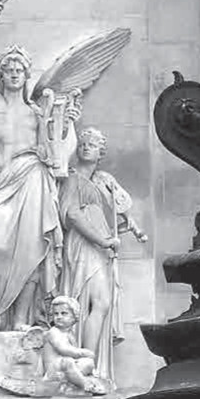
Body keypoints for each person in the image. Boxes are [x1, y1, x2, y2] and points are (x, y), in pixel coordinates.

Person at [0, 0, 78, 331]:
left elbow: (53, 153)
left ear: (27, 75)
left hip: (32, 178)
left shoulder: (36, 113)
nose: (15, 73)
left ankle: (18, 319)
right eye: (9, 68)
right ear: (0, 74)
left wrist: (65, 125)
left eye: (20, 69)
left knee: (32, 250)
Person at [58, 127, 145, 381]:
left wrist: (118, 231)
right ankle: (85, 361)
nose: (86, 147)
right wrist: (103, 240)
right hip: (84, 245)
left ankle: (87, 361)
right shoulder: (72, 179)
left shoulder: (99, 182)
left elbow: (108, 216)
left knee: (98, 303)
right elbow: (72, 215)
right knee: (98, 301)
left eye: (92, 145)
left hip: (98, 247)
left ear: (101, 153)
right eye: (83, 144)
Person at [43, 296, 105, 395]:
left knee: (88, 363)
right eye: (56, 314)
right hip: (53, 370)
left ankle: (71, 378)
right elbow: (64, 349)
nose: (59, 317)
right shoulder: (53, 332)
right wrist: (83, 352)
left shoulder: (70, 334)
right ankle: (85, 384)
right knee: (67, 361)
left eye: (64, 313)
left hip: (65, 369)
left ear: (74, 316)